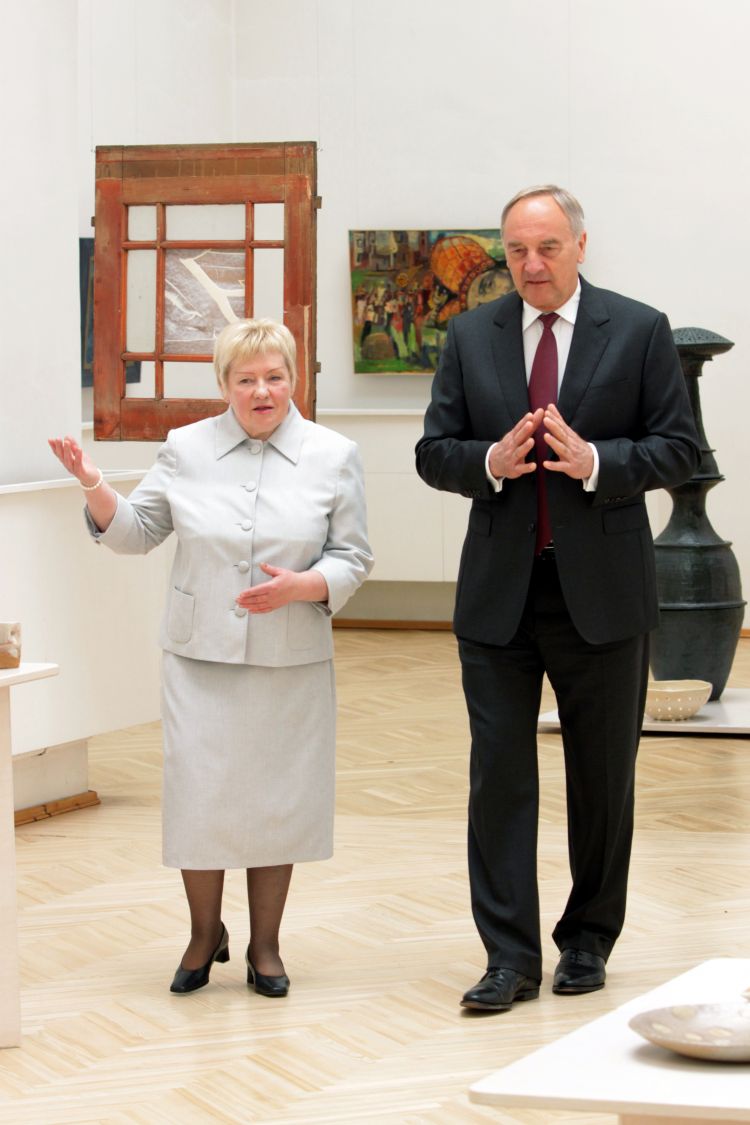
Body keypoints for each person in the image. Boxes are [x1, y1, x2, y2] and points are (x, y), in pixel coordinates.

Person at [415, 186, 699, 1012]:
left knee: (602, 782)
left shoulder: (639, 328)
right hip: (499, 597)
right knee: (498, 781)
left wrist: (599, 462)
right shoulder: (471, 334)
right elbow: (434, 451)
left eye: (546, 247)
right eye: (516, 251)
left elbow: (679, 448)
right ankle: (508, 957)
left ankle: (587, 939)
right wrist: (489, 462)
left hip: (603, 595)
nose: (531, 264)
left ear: (580, 244)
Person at [49, 318, 373, 998]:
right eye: (246, 379)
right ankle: (203, 934)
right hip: (199, 660)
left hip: (291, 660)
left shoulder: (333, 454)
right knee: (199, 798)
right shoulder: (185, 448)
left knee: (279, 801)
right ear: (224, 384)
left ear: (294, 380)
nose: (262, 391)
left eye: (275, 377)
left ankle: (266, 945)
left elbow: (352, 556)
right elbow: (137, 533)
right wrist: (93, 484)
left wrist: (303, 586)